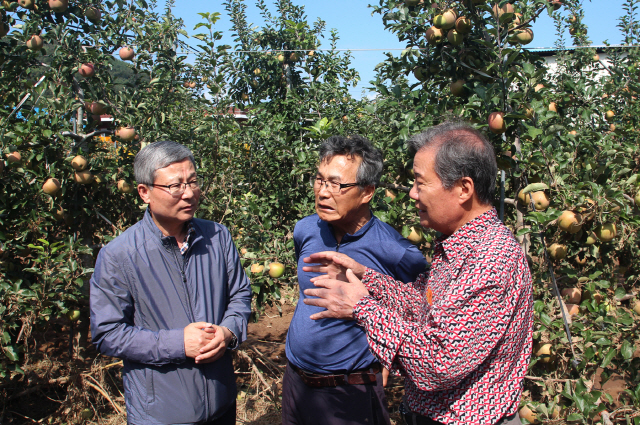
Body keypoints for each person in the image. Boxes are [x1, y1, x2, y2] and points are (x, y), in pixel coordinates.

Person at [302, 122, 534, 425]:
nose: (412, 193)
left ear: (463, 189)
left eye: (420, 183)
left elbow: (439, 364)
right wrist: (367, 277)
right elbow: (422, 310)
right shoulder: (457, 248)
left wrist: (362, 308)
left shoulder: (491, 260)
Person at [90, 140, 252, 424]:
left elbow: (240, 294)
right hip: (160, 413)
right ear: (144, 192)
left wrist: (228, 332)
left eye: (193, 182)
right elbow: (108, 333)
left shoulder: (217, 237)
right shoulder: (119, 255)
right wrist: (178, 343)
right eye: (176, 185)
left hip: (221, 402)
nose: (188, 193)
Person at [282, 135, 428, 425]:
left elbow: (421, 308)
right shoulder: (306, 229)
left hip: (350, 390)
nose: (323, 192)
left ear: (367, 192)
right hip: (296, 382)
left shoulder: (396, 252)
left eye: (336, 184)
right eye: (320, 180)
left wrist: (389, 356)